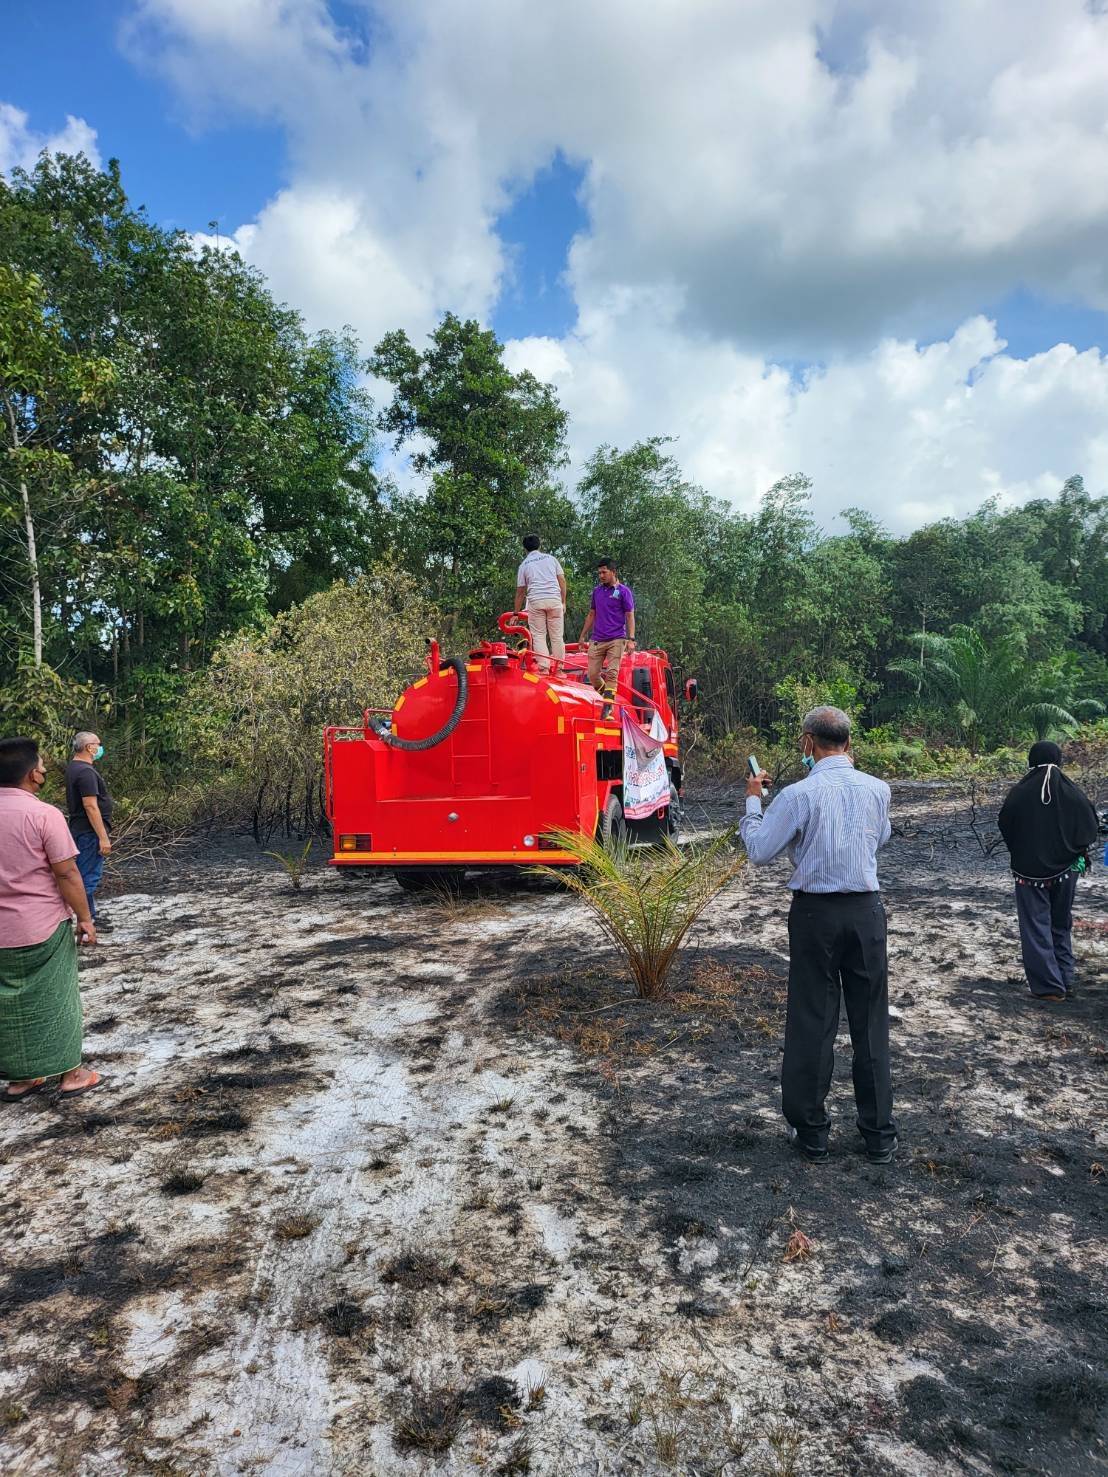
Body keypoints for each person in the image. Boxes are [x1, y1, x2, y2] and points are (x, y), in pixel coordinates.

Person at [740, 707, 896, 1165]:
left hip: (815, 913)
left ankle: (811, 1132)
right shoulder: (878, 789)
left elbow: (759, 850)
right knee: (870, 1023)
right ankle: (878, 1136)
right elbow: (878, 839)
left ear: (808, 742)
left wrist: (753, 801)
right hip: (867, 911)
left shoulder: (797, 795)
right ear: (848, 742)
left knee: (813, 1018)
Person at [0, 736, 100, 1102]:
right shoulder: (44, 815)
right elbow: (67, 874)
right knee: (56, 1000)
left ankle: (21, 1080)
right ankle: (71, 1073)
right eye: (41, 766)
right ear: (31, 775)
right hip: (41, 926)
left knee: (8, 1006)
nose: (44, 770)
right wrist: (85, 918)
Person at [997, 740, 1098, 1003]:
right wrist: (1071, 851)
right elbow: (1090, 825)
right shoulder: (1072, 791)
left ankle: (1049, 987)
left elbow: (1006, 823)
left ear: (1031, 760)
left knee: (1036, 927)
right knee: (1060, 923)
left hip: (1028, 873)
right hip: (1068, 870)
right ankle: (1065, 977)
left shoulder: (1020, 793)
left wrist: (1024, 853)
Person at [66, 730, 113, 924]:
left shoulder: (74, 767)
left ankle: (90, 914)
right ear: (89, 747)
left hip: (80, 829)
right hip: (88, 832)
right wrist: (103, 837)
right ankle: (86, 920)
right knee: (87, 877)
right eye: (98, 744)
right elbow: (90, 805)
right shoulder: (85, 771)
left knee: (83, 873)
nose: (100, 748)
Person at [579, 558, 635, 697]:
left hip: (617, 639)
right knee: (592, 675)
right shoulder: (597, 591)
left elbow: (629, 615)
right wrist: (582, 635)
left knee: (612, 673)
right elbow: (592, 614)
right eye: (599, 573)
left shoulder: (624, 591)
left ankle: (608, 708)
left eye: (604, 572)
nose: (601, 576)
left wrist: (631, 639)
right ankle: (607, 697)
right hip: (597, 639)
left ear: (613, 572)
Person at [514, 534, 567, 673]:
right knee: (557, 636)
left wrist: (515, 613)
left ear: (525, 549)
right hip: (555, 601)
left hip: (536, 601)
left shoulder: (524, 565)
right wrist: (563, 602)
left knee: (538, 635)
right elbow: (562, 581)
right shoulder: (551, 559)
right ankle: (560, 669)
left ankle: (544, 668)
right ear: (539, 545)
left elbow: (520, 592)